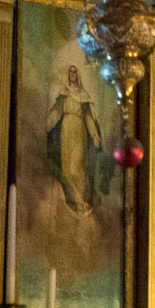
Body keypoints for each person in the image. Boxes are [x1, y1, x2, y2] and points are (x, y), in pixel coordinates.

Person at [46, 62, 100, 212]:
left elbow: (88, 117)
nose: (72, 75)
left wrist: (94, 134)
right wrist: (49, 123)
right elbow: (57, 112)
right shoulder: (64, 93)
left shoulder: (83, 96)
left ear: (78, 75)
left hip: (79, 130)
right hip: (66, 130)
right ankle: (76, 201)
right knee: (66, 170)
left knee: (77, 169)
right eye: (70, 72)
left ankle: (83, 199)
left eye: (74, 72)